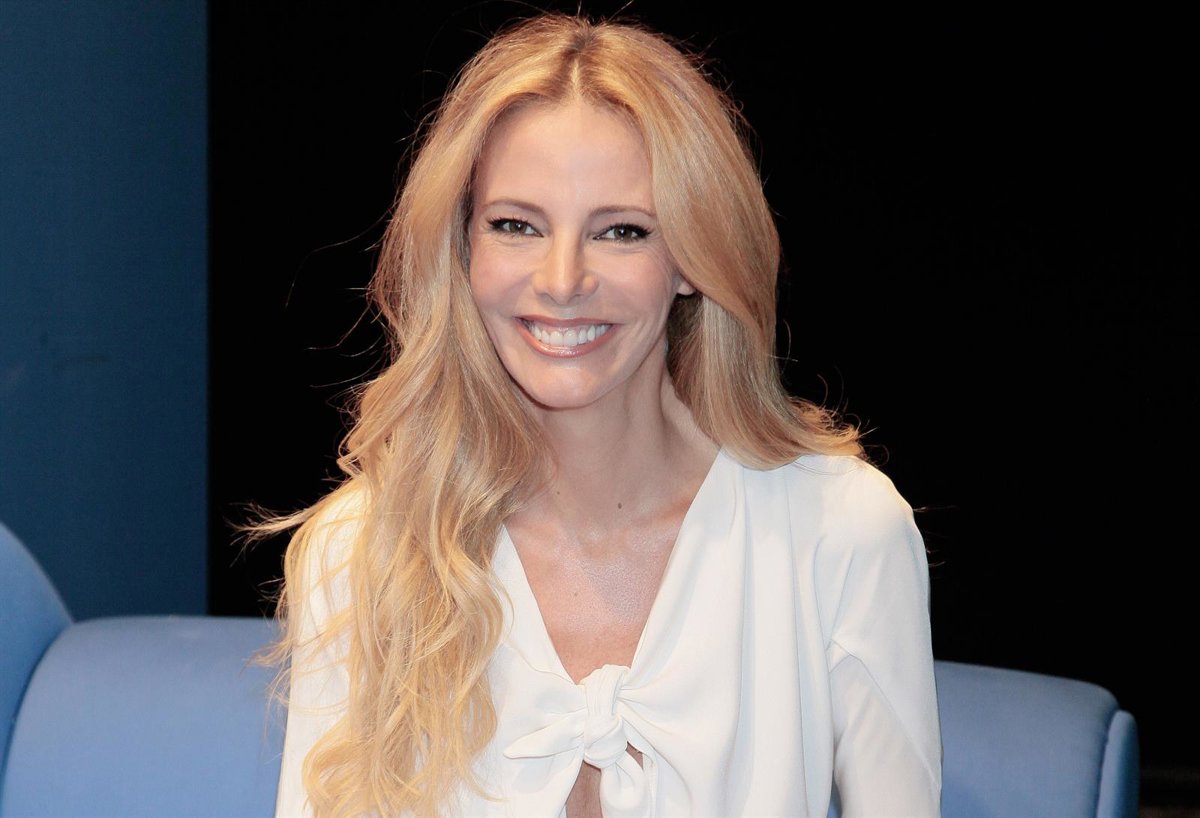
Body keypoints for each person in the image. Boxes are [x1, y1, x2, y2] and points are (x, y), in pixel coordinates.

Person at [266, 11, 942, 818]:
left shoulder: (841, 533)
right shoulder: (361, 550)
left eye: (622, 231)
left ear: (693, 257)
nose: (562, 280)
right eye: (516, 226)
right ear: (464, 250)